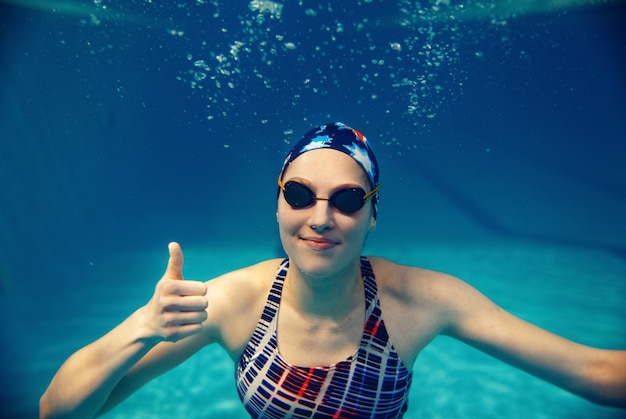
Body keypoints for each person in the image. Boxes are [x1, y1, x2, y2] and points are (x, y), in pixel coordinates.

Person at [40, 122, 626, 418]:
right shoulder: (232, 303)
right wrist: (141, 325)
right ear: (277, 204)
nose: (321, 218)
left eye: (347, 200)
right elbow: (60, 410)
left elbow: (598, 374)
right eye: (299, 194)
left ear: (373, 216)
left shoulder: (422, 300)